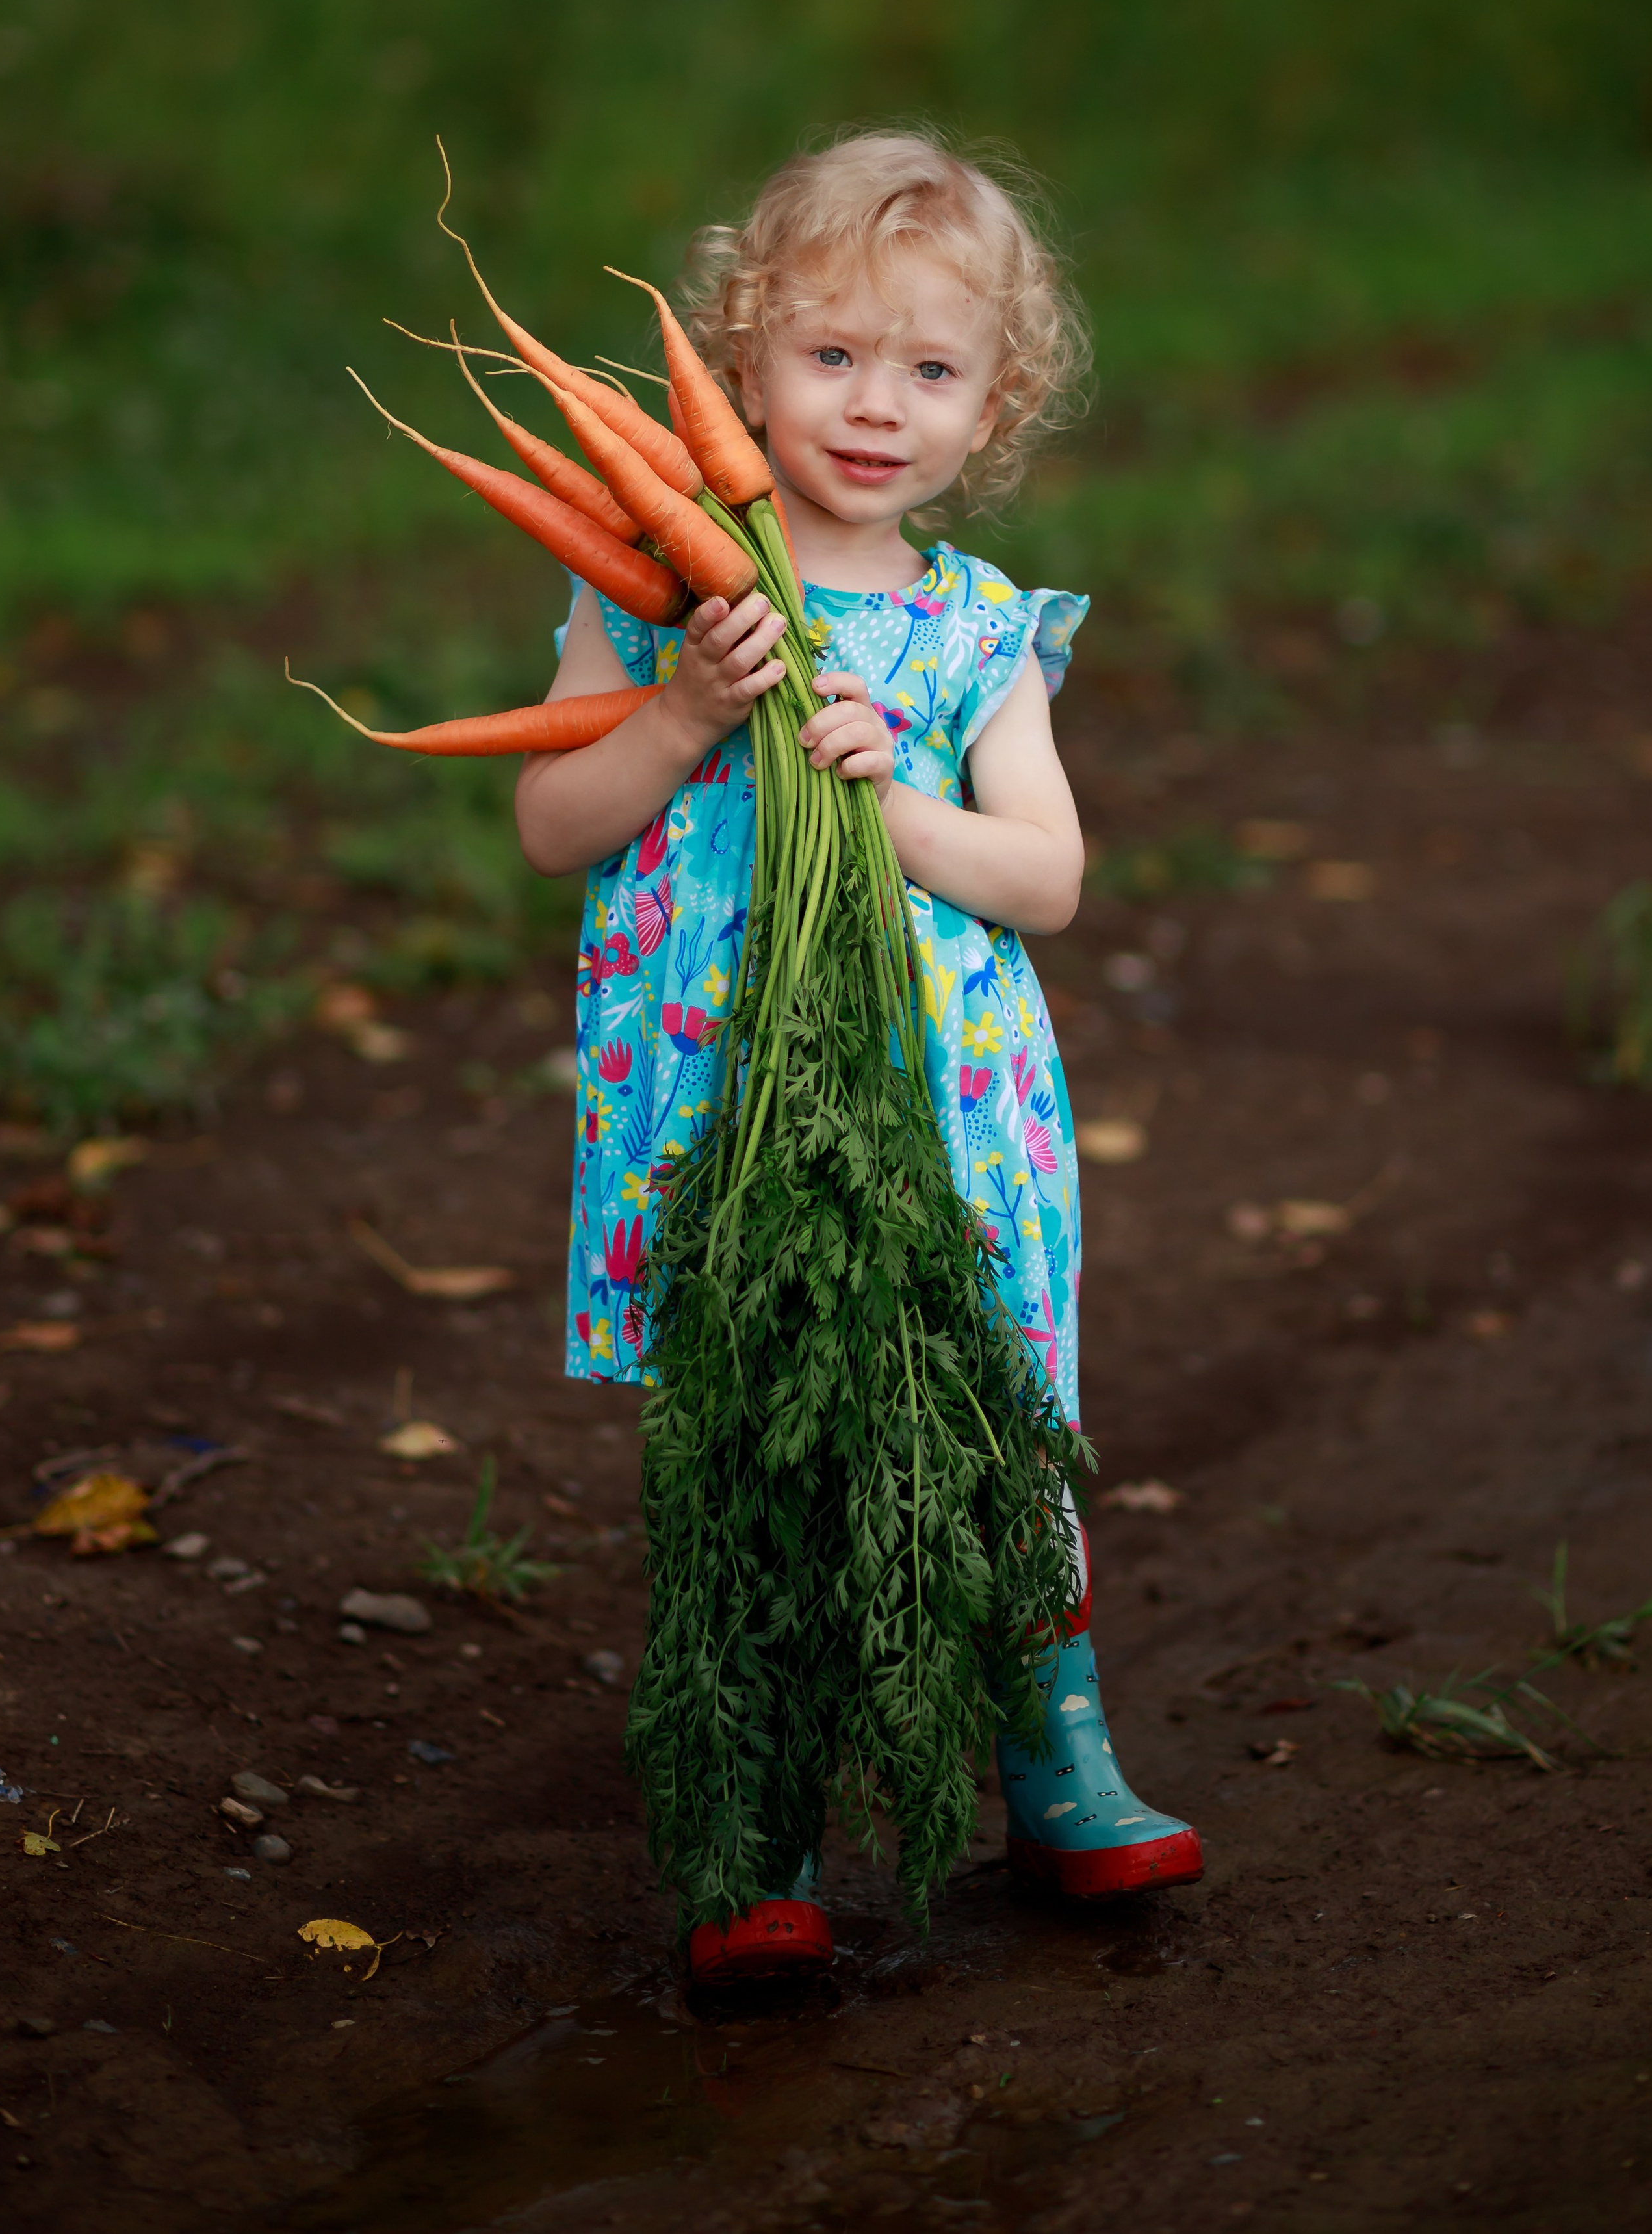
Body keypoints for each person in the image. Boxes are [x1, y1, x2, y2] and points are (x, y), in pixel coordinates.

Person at [515, 127, 1202, 1981]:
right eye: (830, 358)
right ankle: (754, 1820)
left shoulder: (983, 633)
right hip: (720, 1104)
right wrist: (675, 717)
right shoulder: (660, 593)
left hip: (941, 1108)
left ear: (999, 405)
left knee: (986, 1424)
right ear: (742, 367)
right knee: (754, 1443)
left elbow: (1045, 879)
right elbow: (553, 827)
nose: (877, 406)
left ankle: (1059, 1760)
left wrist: (894, 798)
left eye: (931, 369)